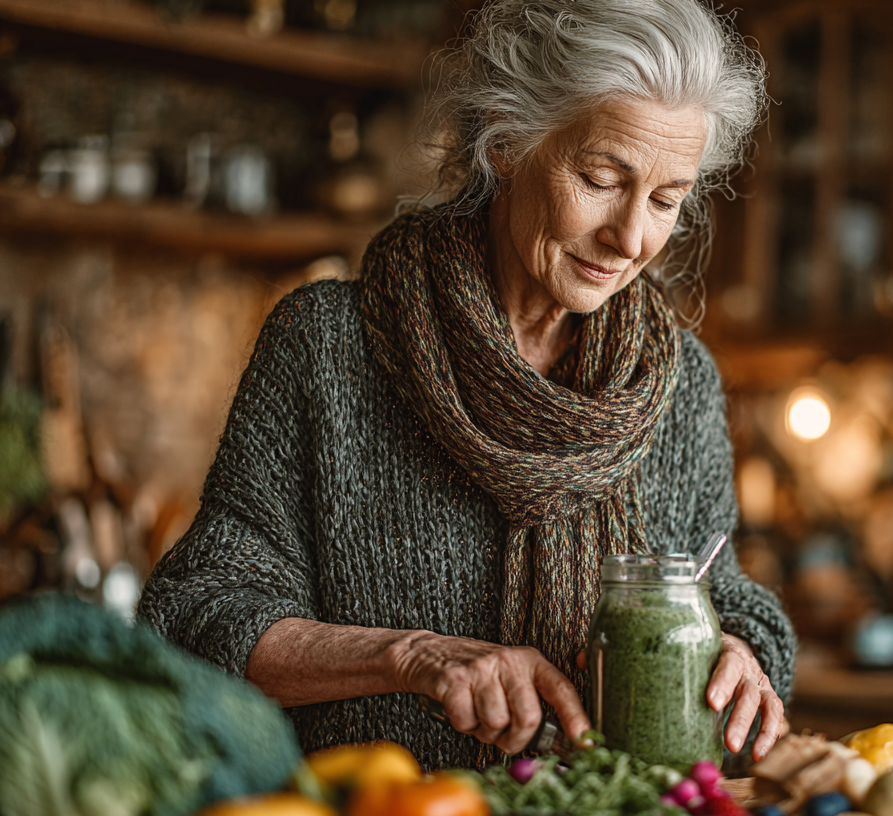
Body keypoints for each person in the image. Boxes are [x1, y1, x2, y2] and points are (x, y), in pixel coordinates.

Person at [137, 0, 796, 771]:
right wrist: (414, 657)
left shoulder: (679, 383)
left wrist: (742, 651)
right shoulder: (327, 347)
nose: (629, 237)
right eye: (600, 179)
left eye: (664, 200)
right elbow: (196, 616)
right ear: (507, 140)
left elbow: (724, 591)